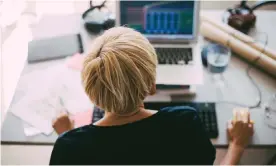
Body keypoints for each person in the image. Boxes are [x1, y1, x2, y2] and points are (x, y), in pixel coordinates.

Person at [50, 27, 254, 165]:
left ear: (92, 94)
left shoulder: (68, 149)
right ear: (151, 86)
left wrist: (66, 135)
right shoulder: (184, 124)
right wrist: (238, 144)